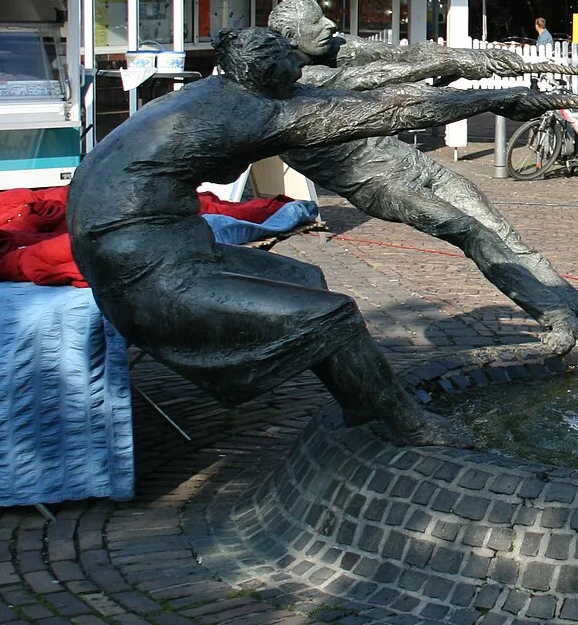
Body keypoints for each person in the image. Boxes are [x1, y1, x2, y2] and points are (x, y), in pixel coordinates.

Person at [68, 25, 552, 444]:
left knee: (304, 279)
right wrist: (496, 100)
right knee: (336, 316)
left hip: (161, 245)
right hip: (143, 270)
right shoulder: (253, 114)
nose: (300, 67)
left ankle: (360, 403)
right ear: (264, 74)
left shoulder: (210, 93)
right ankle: (410, 425)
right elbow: (390, 114)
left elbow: (364, 94)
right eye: (288, 62)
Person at [264, 0, 578, 353]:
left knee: (508, 237)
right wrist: (468, 73)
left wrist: (470, 56)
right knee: (472, 233)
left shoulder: (329, 48)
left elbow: (403, 54)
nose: (330, 23)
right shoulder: (291, 86)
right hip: (384, 186)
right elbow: (382, 79)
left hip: (412, 164)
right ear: (291, 38)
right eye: (317, 22)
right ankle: (555, 316)